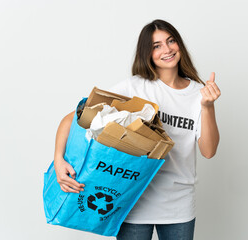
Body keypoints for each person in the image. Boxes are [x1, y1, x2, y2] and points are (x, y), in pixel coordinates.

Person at [53, 19, 220, 240]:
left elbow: (208, 151)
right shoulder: (134, 87)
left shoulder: (199, 93)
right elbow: (72, 118)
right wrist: (58, 160)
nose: (167, 49)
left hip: (178, 206)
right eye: (157, 45)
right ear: (147, 53)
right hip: (132, 203)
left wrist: (207, 106)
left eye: (171, 41)